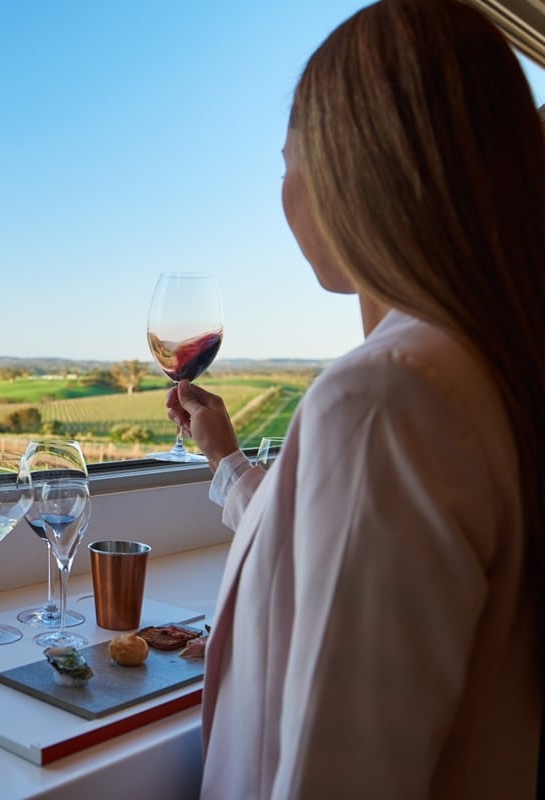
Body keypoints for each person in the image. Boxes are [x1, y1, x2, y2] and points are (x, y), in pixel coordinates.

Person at [166, 1, 545, 797]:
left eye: (287, 159)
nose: (284, 192)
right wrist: (229, 461)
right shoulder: (488, 363)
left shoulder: (386, 393)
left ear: (353, 165)